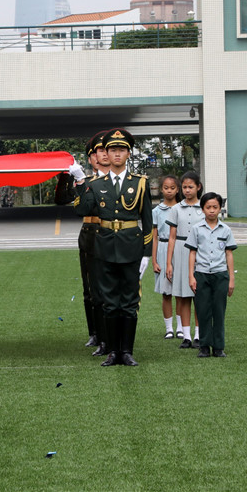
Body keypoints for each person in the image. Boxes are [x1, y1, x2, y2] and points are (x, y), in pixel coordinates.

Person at [72, 127, 152, 367]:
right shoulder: (97, 184)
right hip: (104, 247)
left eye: (121, 150)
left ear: (128, 153)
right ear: (106, 153)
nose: (117, 154)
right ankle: (113, 351)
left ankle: (126, 351)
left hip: (131, 246)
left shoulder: (140, 183)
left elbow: (147, 220)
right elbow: (82, 209)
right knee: (109, 301)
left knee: (129, 301)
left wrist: (147, 253)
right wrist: (80, 181)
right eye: (113, 150)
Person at [68, 131, 108, 354]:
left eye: (104, 151)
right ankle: (95, 332)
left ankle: (107, 336)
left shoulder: (114, 182)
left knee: (104, 290)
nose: (101, 156)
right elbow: (74, 204)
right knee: (89, 290)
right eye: (97, 153)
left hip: (106, 233)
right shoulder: (86, 181)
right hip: (88, 235)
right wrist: (74, 179)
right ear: (91, 158)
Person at [185, 192, 236, 358]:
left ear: (220, 209)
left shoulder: (226, 229)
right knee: (203, 310)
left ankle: (219, 347)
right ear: (202, 209)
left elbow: (229, 254)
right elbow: (192, 253)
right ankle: (204, 346)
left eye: (215, 207)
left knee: (219, 311)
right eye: (208, 207)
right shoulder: (196, 229)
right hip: (202, 274)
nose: (212, 210)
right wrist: (191, 276)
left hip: (220, 275)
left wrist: (231, 279)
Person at [166, 171, 204, 349]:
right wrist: (169, 263)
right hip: (180, 252)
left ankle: (198, 334)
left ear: (198, 187)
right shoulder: (175, 209)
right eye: (184, 187)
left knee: (199, 296)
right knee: (183, 296)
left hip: (200, 253)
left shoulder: (204, 207)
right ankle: (186, 335)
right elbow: (172, 237)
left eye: (191, 187)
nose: (187, 190)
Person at [151, 175, 182, 339]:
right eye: (166, 188)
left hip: (180, 249)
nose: (169, 191)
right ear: (161, 189)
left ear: (177, 190)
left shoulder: (182, 209)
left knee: (181, 292)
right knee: (166, 292)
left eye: (172, 188)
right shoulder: (156, 211)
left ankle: (181, 328)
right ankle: (169, 328)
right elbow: (154, 237)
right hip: (162, 250)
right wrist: (154, 260)